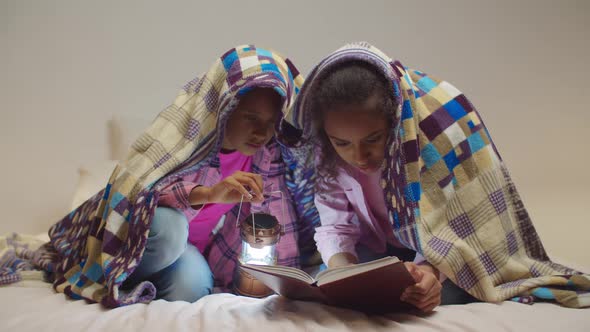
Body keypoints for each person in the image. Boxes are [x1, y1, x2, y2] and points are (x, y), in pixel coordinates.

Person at [283, 42, 585, 312]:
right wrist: (342, 272)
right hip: (379, 249)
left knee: (433, 296)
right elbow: (335, 227)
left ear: (396, 123)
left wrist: (428, 272)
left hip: (441, 247)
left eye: (373, 139)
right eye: (343, 143)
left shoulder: (429, 142)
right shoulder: (326, 155)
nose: (359, 157)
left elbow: (450, 228)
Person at [44, 45, 315, 306]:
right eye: (251, 118)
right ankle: (116, 273)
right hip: (144, 239)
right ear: (225, 107)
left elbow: (279, 219)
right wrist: (211, 194)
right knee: (171, 229)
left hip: (189, 251)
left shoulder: (266, 157)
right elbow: (144, 192)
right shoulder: (184, 141)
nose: (261, 132)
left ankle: (138, 287)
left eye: (270, 123)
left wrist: (285, 284)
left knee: (193, 285)